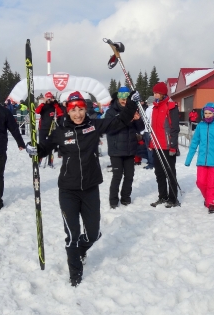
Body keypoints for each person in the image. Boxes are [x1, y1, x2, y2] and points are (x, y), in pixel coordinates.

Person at [26, 90, 140, 287]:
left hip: (90, 188)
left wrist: (131, 104)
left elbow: (119, 121)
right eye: (73, 110)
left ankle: (81, 249)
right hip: (68, 190)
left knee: (93, 234)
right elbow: (45, 148)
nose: (78, 113)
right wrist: (34, 149)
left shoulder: (93, 126)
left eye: (80, 109)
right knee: (71, 236)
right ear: (67, 112)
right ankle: (75, 273)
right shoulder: (60, 130)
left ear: (85, 109)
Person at [184, 103, 214, 213]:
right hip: (202, 161)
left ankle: (212, 203)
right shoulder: (200, 126)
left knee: (212, 183)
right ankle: (207, 198)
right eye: (206, 113)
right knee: (200, 182)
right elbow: (194, 143)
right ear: (203, 113)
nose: (208, 115)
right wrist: (188, 159)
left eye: (210, 113)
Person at [105, 86, 144, 208]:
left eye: (126, 98)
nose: (124, 100)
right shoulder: (111, 112)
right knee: (117, 176)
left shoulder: (133, 110)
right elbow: (110, 129)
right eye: (121, 97)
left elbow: (140, 128)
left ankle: (126, 198)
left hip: (130, 148)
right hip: (116, 150)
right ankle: (113, 200)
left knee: (129, 175)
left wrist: (137, 120)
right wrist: (127, 119)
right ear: (118, 98)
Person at [149, 82, 181, 208]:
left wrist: (173, 145)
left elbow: (174, 127)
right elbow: (154, 128)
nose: (156, 95)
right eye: (154, 92)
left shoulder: (171, 106)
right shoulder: (155, 107)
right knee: (159, 173)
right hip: (157, 145)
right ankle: (162, 196)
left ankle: (173, 198)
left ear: (163, 94)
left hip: (167, 146)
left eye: (158, 93)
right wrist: (152, 143)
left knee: (170, 172)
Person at [35, 92, 64, 167]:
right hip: (42, 128)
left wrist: (56, 104)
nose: (48, 100)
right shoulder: (43, 106)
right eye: (47, 98)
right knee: (41, 144)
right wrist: (42, 103)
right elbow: (37, 111)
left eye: (50, 98)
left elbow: (60, 113)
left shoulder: (54, 105)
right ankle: (39, 160)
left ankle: (50, 162)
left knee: (50, 145)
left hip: (52, 128)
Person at [143, 96, 155, 170]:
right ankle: (154, 161)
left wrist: (142, 131)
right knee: (154, 147)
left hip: (148, 131)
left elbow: (145, 120)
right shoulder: (156, 109)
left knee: (149, 148)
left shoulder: (148, 109)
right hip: (154, 131)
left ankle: (151, 163)